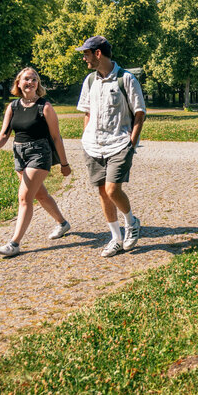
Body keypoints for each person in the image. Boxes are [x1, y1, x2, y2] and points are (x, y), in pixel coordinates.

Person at [0, 67, 73, 257]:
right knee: (40, 195)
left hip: (39, 153)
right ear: (18, 83)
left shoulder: (45, 106)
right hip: (19, 153)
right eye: (27, 79)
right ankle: (63, 223)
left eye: (34, 79)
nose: (31, 82)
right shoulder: (13, 106)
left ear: (37, 84)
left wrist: (64, 164)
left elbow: (56, 138)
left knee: (24, 198)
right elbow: (5, 133)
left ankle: (14, 243)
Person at [75, 35, 146, 257]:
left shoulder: (126, 79)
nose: (84, 58)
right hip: (94, 146)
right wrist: (86, 138)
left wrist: (131, 144)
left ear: (98, 53)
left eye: (86, 53)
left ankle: (131, 222)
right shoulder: (90, 81)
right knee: (102, 193)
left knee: (112, 189)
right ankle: (115, 238)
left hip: (119, 144)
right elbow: (87, 111)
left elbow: (139, 113)